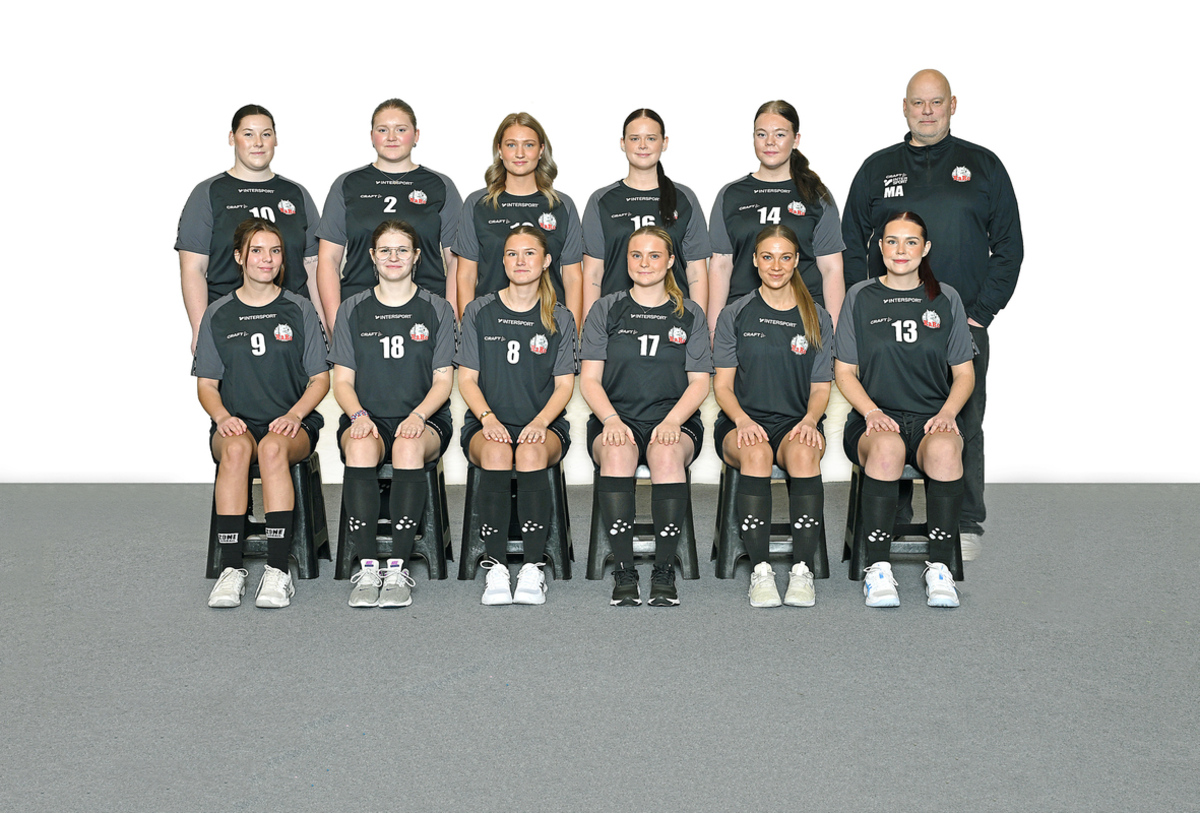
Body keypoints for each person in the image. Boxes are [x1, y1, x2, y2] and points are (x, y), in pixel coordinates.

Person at [841, 70, 1023, 558]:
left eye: (936, 102)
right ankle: (892, 518)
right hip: (884, 325)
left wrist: (980, 314)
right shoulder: (878, 168)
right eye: (918, 103)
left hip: (959, 325)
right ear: (904, 107)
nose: (926, 111)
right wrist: (859, 309)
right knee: (888, 419)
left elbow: (1009, 246)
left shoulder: (983, 166)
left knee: (963, 421)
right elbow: (850, 242)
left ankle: (964, 522)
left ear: (952, 105)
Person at [834, 211, 974, 609]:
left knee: (945, 450)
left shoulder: (946, 297)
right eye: (892, 241)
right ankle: (878, 568)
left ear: (925, 248)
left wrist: (947, 414)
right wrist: (871, 412)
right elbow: (844, 371)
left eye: (911, 242)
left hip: (932, 418)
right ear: (880, 247)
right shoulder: (860, 296)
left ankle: (940, 569)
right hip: (875, 418)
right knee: (887, 448)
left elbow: (964, 373)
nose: (901, 250)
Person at [194, 218, 330, 609]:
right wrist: (222, 418)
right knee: (237, 449)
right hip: (236, 421)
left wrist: (295, 415)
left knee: (271, 449)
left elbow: (320, 380)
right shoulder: (218, 313)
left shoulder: (299, 309)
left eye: (275, 251)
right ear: (239, 257)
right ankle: (231, 569)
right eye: (256, 250)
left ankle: (277, 570)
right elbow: (206, 385)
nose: (266, 259)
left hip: (292, 421)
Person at [580, 226, 713, 607]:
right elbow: (589, 380)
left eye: (655, 255)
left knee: (666, 455)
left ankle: (663, 570)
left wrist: (672, 421)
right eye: (636, 255)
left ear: (670, 261)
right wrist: (610, 420)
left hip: (674, 418)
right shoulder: (606, 308)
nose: (644, 263)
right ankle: (624, 571)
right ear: (626, 260)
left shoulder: (690, 313)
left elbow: (699, 383)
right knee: (617, 452)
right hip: (615, 416)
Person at [327, 220, 456, 608]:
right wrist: (358, 416)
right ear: (372, 256)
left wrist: (418, 416)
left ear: (417, 257)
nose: (393, 257)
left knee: (407, 446)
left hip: (424, 418)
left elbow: (443, 381)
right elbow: (342, 382)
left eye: (402, 250)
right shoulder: (352, 309)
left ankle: (398, 568)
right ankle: (368, 568)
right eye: (385, 250)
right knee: (361, 448)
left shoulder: (437, 308)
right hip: (367, 416)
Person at [713, 225, 834, 608]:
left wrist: (811, 420)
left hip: (797, 421)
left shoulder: (816, 316)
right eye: (767, 257)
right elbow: (723, 386)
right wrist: (742, 421)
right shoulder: (736, 313)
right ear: (755, 260)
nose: (776, 266)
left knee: (803, 454)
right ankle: (761, 571)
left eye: (785, 257)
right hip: (742, 420)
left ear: (797, 261)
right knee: (756, 453)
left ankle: (802, 570)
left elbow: (821, 388)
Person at [456, 226, 576, 606]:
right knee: (496, 452)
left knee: (529, 453)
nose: (520, 261)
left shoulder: (560, 317)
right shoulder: (479, 311)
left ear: (546, 261)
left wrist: (540, 423)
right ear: (503, 261)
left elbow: (564, 385)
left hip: (544, 423)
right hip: (488, 421)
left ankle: (531, 567)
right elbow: (467, 379)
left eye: (529, 253)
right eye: (512, 253)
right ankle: (495, 567)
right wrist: (488, 419)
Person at [178, 104, 322, 352]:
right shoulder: (209, 193)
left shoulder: (296, 194)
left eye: (266, 134)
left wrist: (324, 327)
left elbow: (313, 266)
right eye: (248, 134)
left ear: (275, 139)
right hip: (231, 329)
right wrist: (200, 330)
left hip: (292, 327)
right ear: (231, 138)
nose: (258, 142)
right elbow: (193, 268)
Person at [315, 99, 462, 329]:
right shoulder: (347, 184)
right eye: (383, 130)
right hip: (360, 313)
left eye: (401, 130)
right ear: (371, 136)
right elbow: (328, 259)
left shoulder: (440, 185)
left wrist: (450, 321)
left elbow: (456, 261)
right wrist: (337, 326)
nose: (391, 137)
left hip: (426, 314)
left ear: (416, 135)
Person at [708, 100, 845, 339]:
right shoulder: (731, 195)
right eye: (761, 134)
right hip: (744, 321)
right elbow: (720, 266)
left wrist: (834, 336)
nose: (769, 142)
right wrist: (713, 332)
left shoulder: (816, 195)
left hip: (804, 321)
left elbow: (831, 268)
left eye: (780, 134)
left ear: (796, 139)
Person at [454, 112, 583, 328]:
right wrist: (469, 331)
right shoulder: (478, 204)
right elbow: (466, 275)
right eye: (511, 145)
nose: (520, 153)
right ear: (499, 150)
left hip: (547, 327)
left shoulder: (562, 205)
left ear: (541, 150)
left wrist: (572, 336)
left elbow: (573, 277)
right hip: (491, 326)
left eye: (529, 145)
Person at [581, 109, 710, 321]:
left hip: (674, 323)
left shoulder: (684, 198)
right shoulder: (602, 200)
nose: (642, 145)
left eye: (651, 138)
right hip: (617, 322)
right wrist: (590, 327)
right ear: (623, 143)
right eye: (634, 138)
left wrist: (698, 326)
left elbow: (696, 271)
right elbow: (593, 272)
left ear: (664, 143)